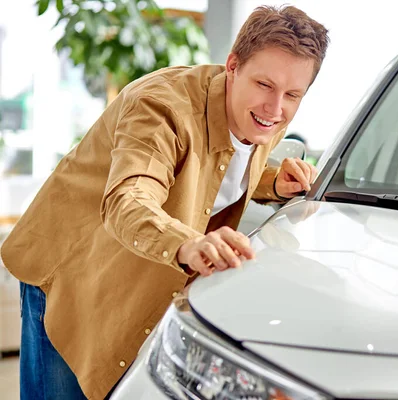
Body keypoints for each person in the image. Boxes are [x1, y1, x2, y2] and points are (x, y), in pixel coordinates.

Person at [0, 5, 329, 399]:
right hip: (71, 272)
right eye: (265, 85)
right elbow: (129, 197)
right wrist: (186, 243)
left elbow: (219, 167)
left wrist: (275, 182)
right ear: (232, 66)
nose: (276, 109)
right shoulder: (159, 108)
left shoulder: (262, 114)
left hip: (134, 268)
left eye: (293, 94)